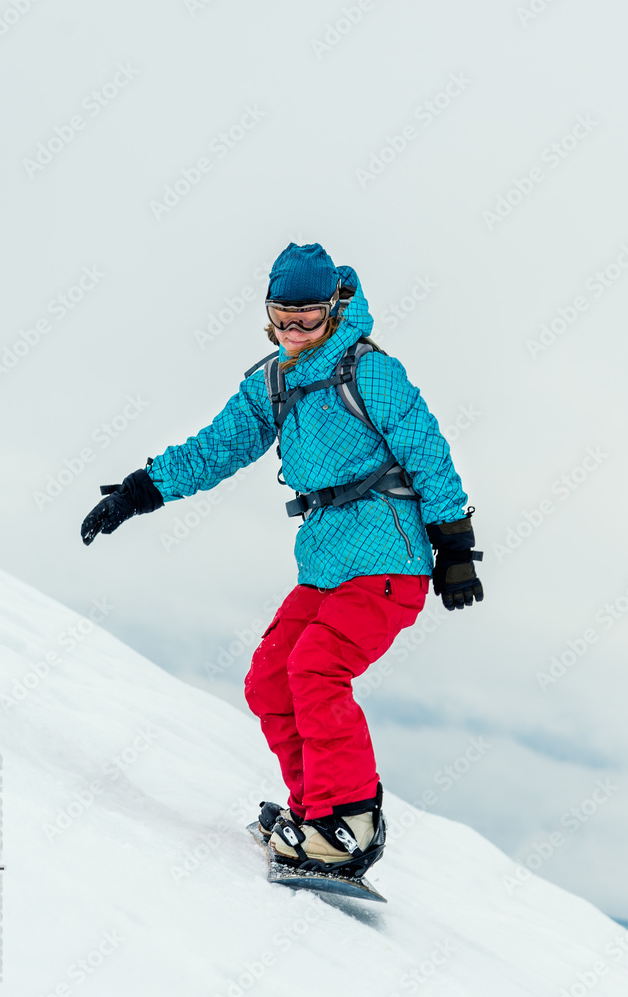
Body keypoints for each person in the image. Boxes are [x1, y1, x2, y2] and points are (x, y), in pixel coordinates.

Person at [81, 242, 483, 881]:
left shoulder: (370, 372)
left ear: (334, 309)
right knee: (270, 677)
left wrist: (456, 547)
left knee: (317, 667)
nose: (295, 332)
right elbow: (217, 447)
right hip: (325, 562)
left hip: (390, 558)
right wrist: (139, 491)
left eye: (309, 318)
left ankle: (349, 823)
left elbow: (427, 452)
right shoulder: (270, 381)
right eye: (283, 317)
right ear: (269, 313)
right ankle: (315, 815)